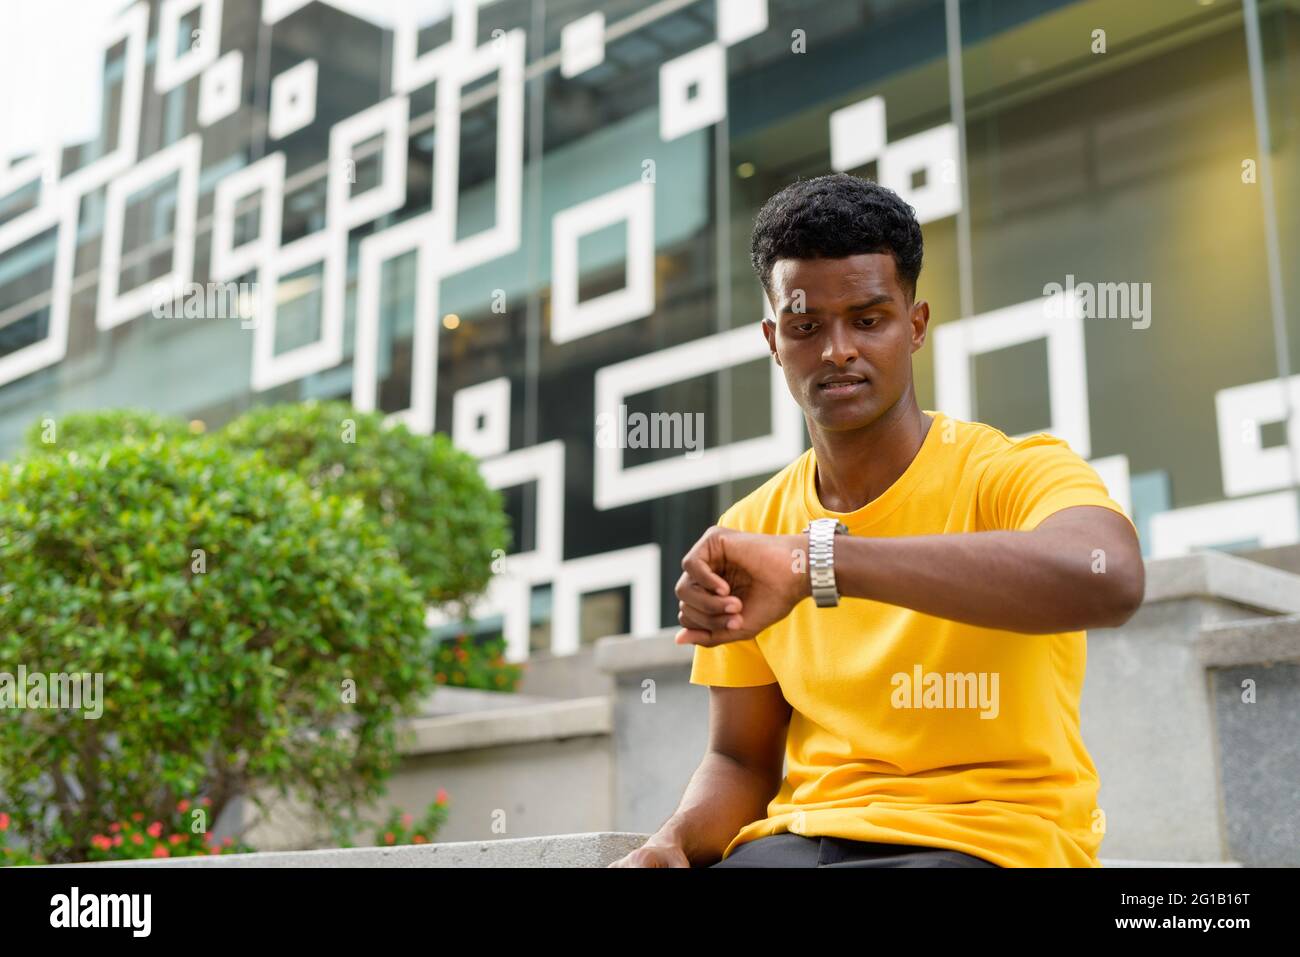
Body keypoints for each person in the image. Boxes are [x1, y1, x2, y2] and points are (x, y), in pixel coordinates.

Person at [609, 172, 1143, 869]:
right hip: (801, 842)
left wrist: (816, 565)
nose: (837, 350)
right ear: (773, 339)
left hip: (987, 838)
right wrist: (671, 841)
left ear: (914, 325)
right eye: (806, 327)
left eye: (867, 319)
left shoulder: (1012, 470)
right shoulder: (751, 526)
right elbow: (739, 757)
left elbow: (1110, 580)